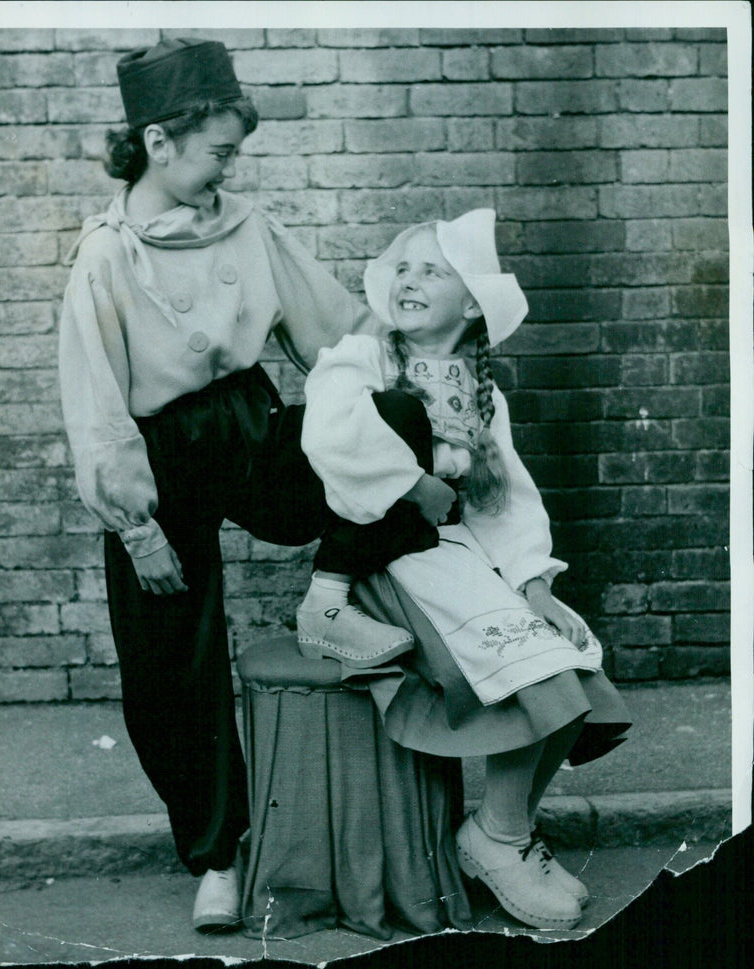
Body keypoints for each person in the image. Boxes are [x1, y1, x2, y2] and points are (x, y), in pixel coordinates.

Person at [57, 37, 421, 933]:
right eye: (218, 150)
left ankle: (330, 602)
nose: (229, 168)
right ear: (158, 141)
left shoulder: (248, 225)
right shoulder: (105, 257)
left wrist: (428, 354)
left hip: (251, 432)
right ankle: (216, 854)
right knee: (169, 651)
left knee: (403, 422)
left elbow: (337, 331)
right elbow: (97, 403)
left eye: (234, 154)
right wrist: (138, 528)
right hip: (158, 457)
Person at [299, 209, 632, 931]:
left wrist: (533, 581)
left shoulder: (485, 394)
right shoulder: (367, 357)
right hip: (392, 559)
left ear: (472, 301)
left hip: (459, 556)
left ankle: (502, 830)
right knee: (533, 671)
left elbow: (505, 500)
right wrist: (410, 482)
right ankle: (501, 843)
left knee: (568, 661)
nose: (412, 280)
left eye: (434, 270)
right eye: (405, 268)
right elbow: (328, 433)